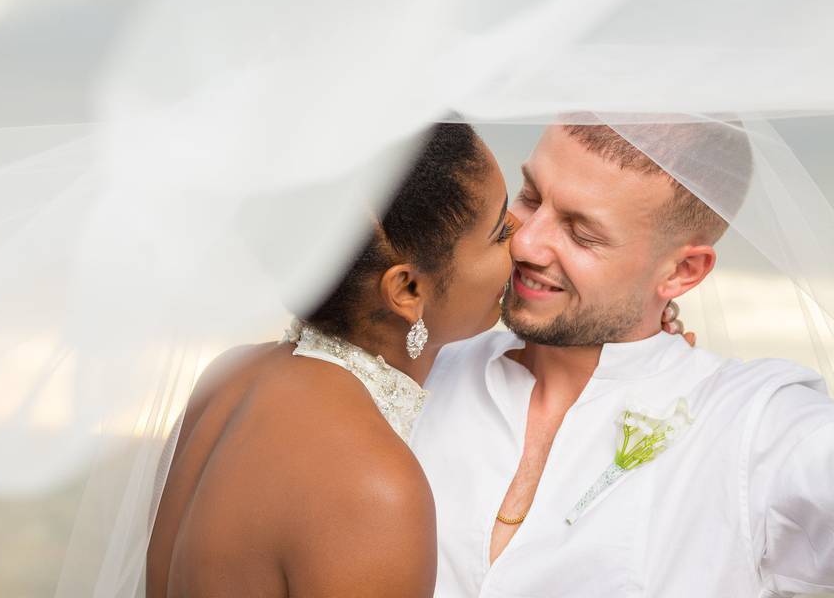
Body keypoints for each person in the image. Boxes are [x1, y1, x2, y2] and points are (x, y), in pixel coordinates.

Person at [411, 122, 834, 597]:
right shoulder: (418, 368)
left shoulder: (759, 428)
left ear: (682, 271)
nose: (526, 243)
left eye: (582, 233)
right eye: (530, 196)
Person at [146, 123, 518, 597]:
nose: (523, 236)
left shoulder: (229, 377)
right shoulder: (374, 486)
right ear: (407, 289)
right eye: (500, 230)